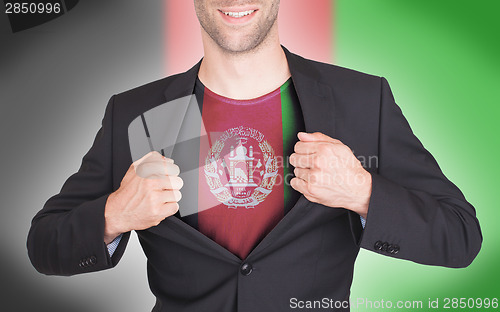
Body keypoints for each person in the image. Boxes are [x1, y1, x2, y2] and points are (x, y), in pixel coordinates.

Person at [27, 0, 482, 311]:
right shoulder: (136, 113)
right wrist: (114, 214)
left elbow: (460, 236)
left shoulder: (362, 101)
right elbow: (44, 245)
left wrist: (364, 191)